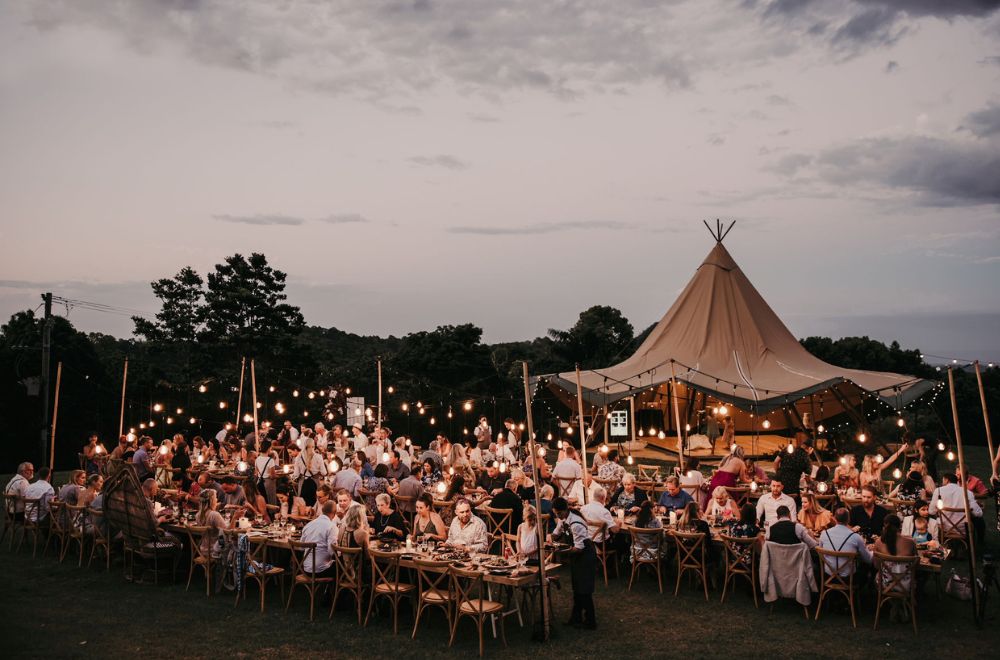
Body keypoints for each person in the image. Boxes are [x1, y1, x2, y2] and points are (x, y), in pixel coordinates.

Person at [551, 496, 598, 630]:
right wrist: (550, 539)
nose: (558, 516)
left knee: (584, 589)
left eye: (559, 513)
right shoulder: (563, 519)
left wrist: (560, 551)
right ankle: (576, 617)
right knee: (576, 587)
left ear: (565, 510)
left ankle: (590, 621)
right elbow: (556, 533)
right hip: (576, 556)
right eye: (556, 514)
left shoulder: (576, 523)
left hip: (585, 555)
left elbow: (578, 548)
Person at [929, 472, 984, 543]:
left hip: (944, 526)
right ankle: (973, 546)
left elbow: (931, 511)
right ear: (956, 482)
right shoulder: (967, 492)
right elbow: (978, 513)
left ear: (946, 480)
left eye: (943, 481)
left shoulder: (938, 491)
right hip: (964, 527)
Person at [819, 507, 872, 578]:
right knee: (865, 567)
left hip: (828, 576)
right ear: (848, 519)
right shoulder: (856, 537)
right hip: (848, 579)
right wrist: (872, 552)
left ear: (834, 519)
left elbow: (821, 552)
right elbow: (868, 559)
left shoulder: (824, 534)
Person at [300, 500, 338, 579]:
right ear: (334, 514)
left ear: (322, 511)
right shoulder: (332, 527)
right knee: (343, 567)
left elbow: (301, 547)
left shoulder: (308, 525)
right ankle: (332, 591)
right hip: (320, 571)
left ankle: (326, 590)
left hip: (306, 569)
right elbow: (332, 551)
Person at [773, 431, 812, 497]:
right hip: (792, 488)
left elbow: (776, 462)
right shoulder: (806, 457)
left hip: (779, 485)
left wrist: (778, 473)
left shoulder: (787, 449)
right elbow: (807, 476)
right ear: (810, 448)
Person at [293, 438, 327, 507]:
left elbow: (296, 474)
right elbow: (324, 472)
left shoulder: (298, 458)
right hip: (314, 484)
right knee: (315, 504)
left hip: (303, 484)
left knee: (303, 504)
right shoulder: (318, 457)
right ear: (314, 446)